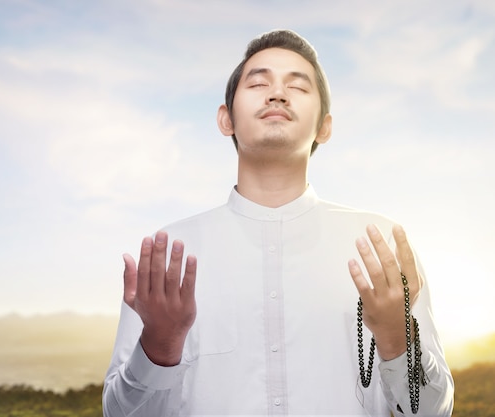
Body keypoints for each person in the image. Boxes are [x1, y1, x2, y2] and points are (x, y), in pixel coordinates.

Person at [102, 29, 454, 416]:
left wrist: (395, 341)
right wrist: (159, 347)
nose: (277, 94)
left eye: (298, 87)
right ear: (226, 119)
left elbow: (432, 411)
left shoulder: (380, 247)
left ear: (325, 127)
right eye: (258, 82)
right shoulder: (169, 253)